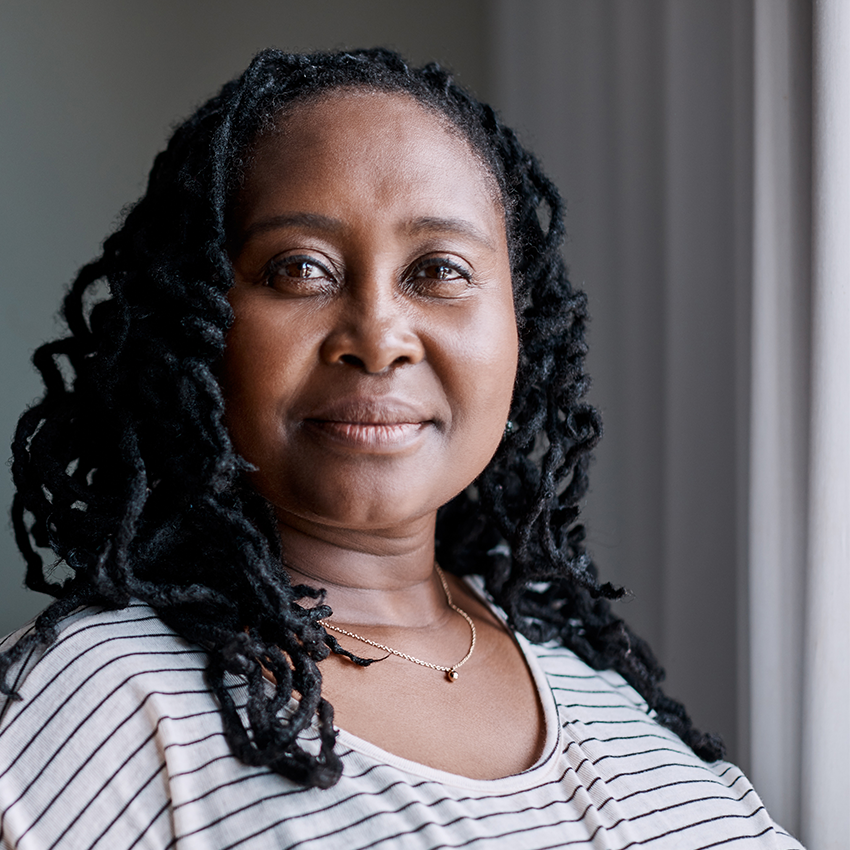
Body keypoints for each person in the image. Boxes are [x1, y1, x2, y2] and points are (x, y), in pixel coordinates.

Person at [0, 48, 801, 849]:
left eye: (439, 269)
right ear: (194, 325)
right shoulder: (98, 698)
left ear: (522, 327)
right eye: (300, 269)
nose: (378, 338)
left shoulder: (590, 676)